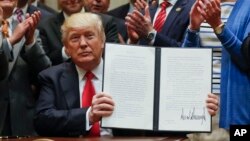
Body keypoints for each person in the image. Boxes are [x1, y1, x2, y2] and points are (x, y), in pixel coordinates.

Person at [34, 12, 219, 137]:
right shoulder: (51, 77)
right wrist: (89, 115)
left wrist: (199, 108)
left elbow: (163, 111)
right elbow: (42, 121)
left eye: (89, 36)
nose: (83, 44)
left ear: (103, 41)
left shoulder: (132, 72)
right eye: (75, 38)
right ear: (66, 47)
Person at [183, 0, 250, 137]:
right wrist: (192, 30)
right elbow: (185, 64)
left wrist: (218, 27)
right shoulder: (201, 4)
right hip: (201, 109)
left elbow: (246, 60)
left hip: (236, 109)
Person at [0, 0, 51, 136]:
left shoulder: (27, 27)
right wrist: (9, 42)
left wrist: (30, 43)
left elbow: (44, 73)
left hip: (22, 117)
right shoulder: (17, 33)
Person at [38, 0, 119, 65]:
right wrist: (66, 51)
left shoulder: (105, 22)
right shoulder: (45, 26)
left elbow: (113, 59)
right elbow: (44, 63)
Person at [125, 0, 195, 47]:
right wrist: (133, 41)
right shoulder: (147, 7)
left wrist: (151, 35)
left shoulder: (193, 7)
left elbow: (186, 49)